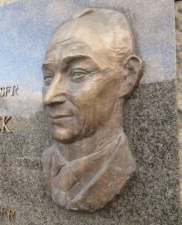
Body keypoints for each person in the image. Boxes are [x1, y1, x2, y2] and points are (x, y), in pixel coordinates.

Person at [41, 8, 143, 212]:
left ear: (128, 77)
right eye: (48, 77)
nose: (49, 97)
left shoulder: (122, 168)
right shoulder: (47, 161)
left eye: (78, 73)